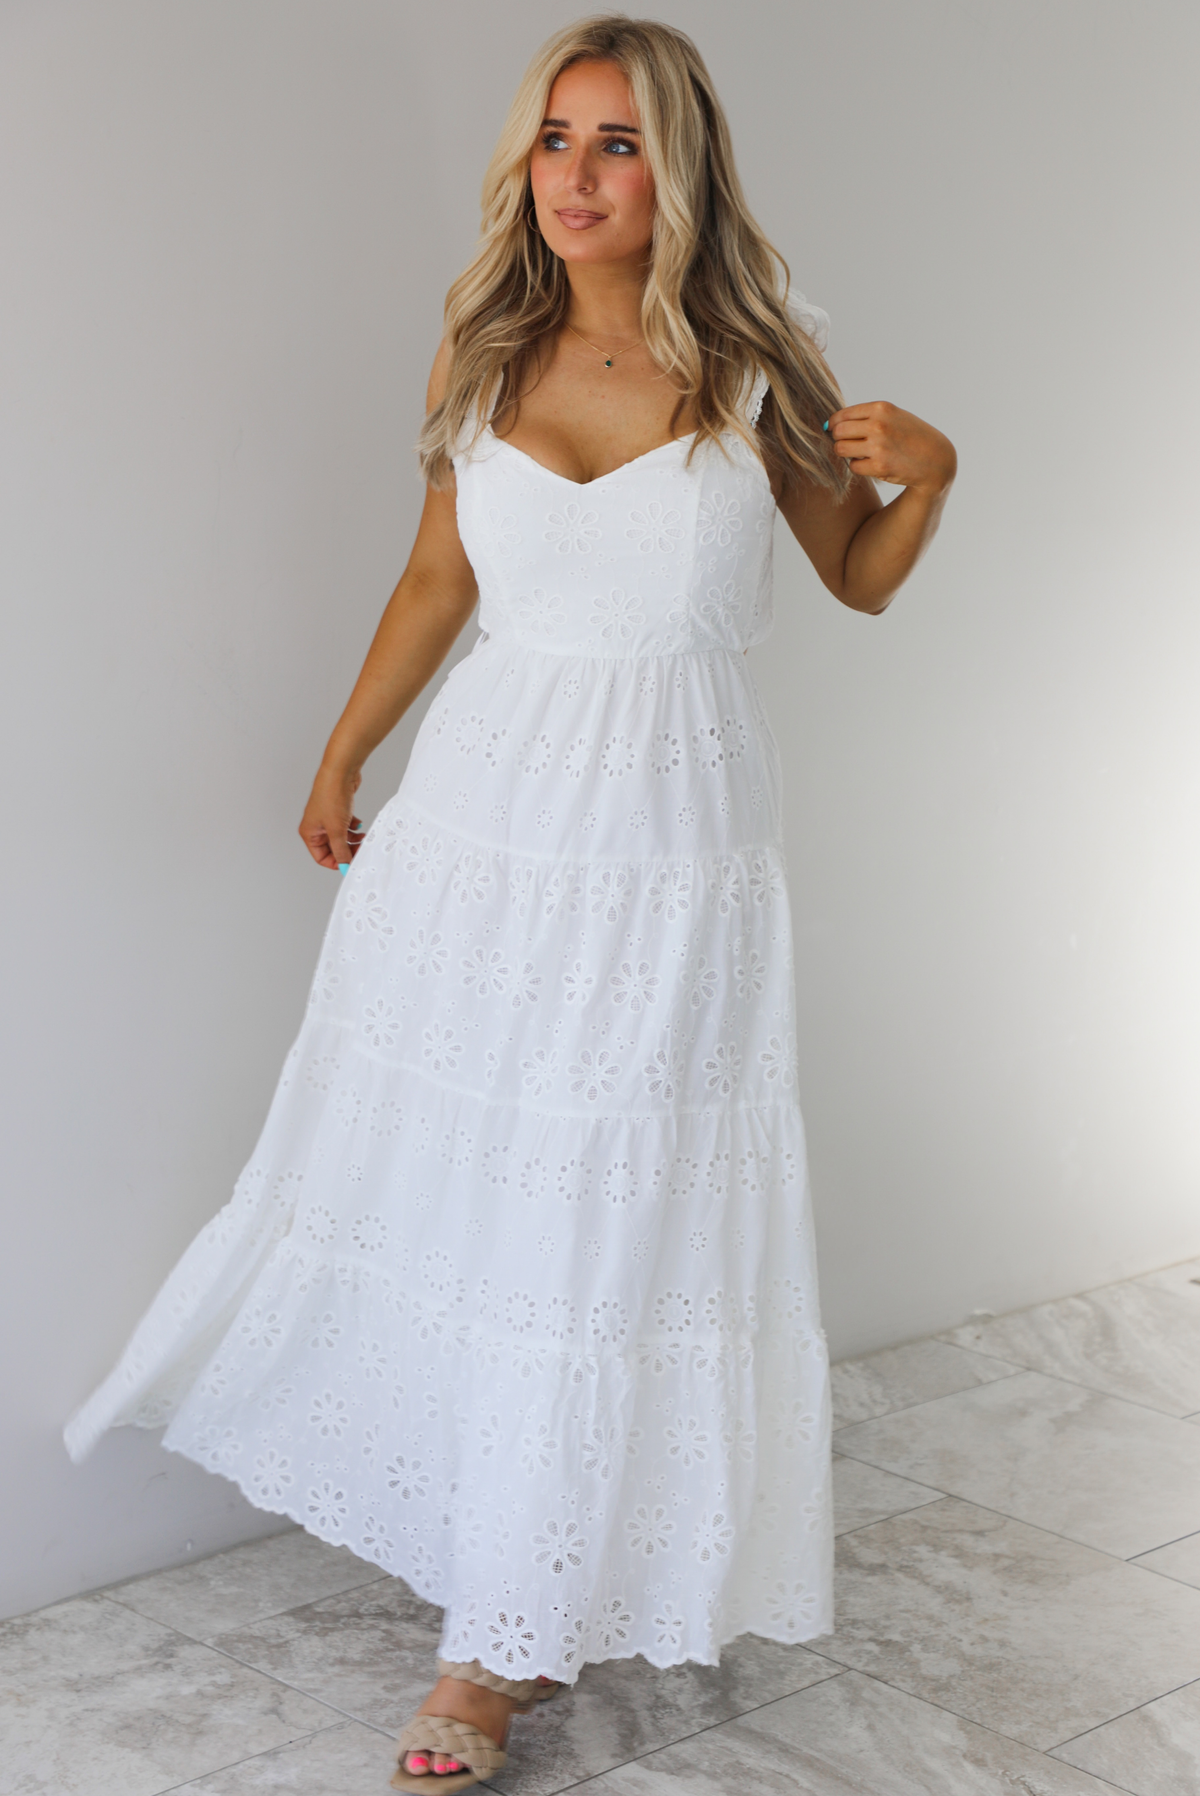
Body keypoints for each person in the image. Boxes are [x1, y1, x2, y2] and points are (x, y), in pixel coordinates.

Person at [64, 15, 956, 1791]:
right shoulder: (487, 349)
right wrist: (343, 760)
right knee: (487, 1203)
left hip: (674, 849)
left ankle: (503, 1644)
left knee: (610, 1214)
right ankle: (498, 1606)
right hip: (483, 836)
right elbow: (430, 580)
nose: (574, 173)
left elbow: (854, 576)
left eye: (616, 143)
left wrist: (930, 476)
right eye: (555, 138)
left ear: (676, 167)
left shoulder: (757, 366)